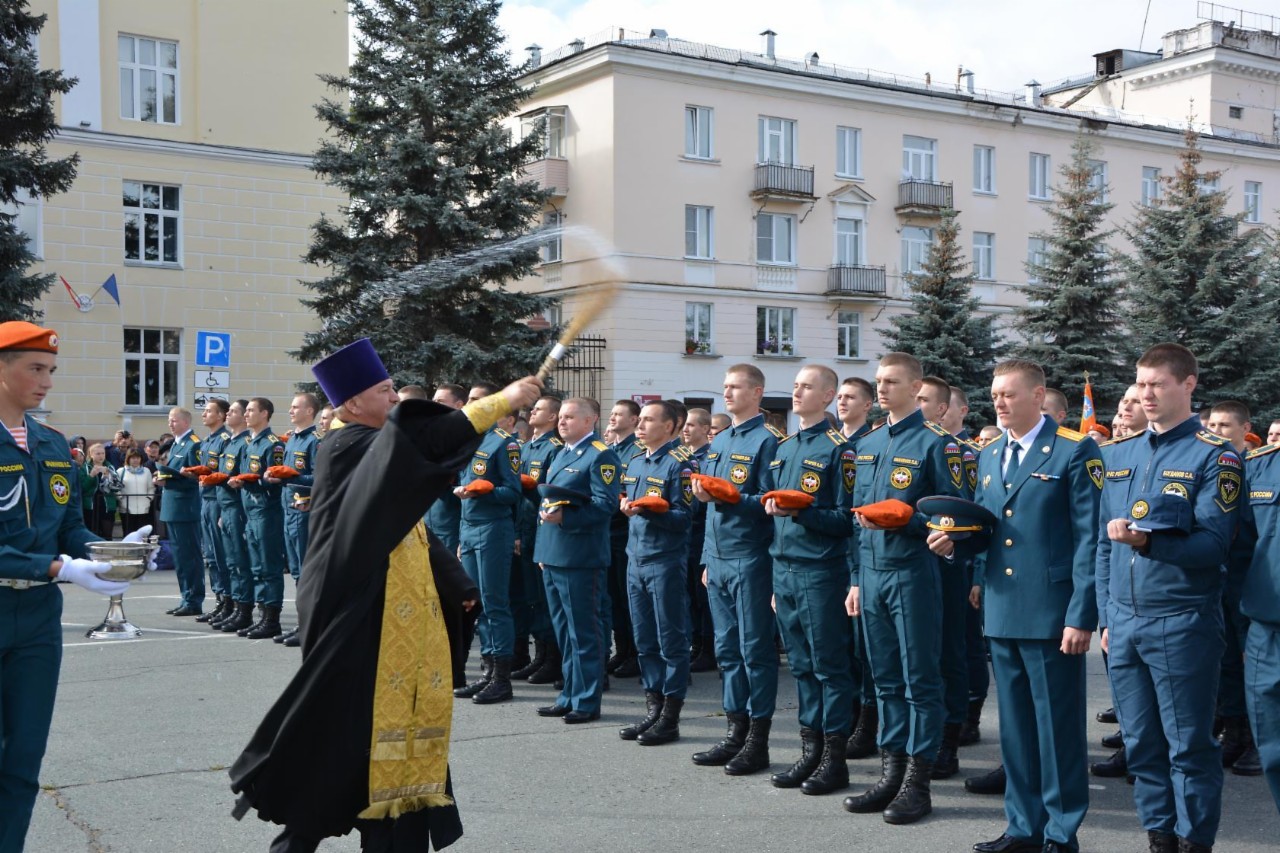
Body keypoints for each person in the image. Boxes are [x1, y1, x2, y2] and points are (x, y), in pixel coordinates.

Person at [230, 337, 540, 852]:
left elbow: (407, 526)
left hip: (386, 612)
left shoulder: (369, 446)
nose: (396, 398)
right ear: (351, 403)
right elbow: (418, 444)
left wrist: (456, 583)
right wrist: (500, 403)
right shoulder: (348, 444)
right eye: (384, 389)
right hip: (353, 614)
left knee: (370, 740)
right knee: (343, 737)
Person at [932, 359, 1101, 853]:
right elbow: (990, 531)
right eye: (995, 394)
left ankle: (1060, 832)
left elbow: (1089, 539)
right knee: (1017, 732)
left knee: (1057, 731)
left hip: (1051, 612)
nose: (1000, 402)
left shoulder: (1074, 450)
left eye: (1009, 393)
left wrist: (1080, 614)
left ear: (1037, 395)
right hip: (1003, 609)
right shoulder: (989, 454)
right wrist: (958, 546)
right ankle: (1022, 827)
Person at [1097, 343, 1241, 853]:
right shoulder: (1118, 453)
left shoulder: (1214, 456)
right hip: (1126, 622)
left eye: (1158, 383)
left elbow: (1212, 544)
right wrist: (1105, 615)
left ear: (1188, 385)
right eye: (1141, 383)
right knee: (1141, 746)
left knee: (1189, 747)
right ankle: (1160, 838)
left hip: (1182, 621)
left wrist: (1149, 541)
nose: (1146, 393)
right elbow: (1100, 544)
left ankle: (1193, 841)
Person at [0, 320, 137, 850]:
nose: (47, 381)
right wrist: (57, 569)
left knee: (23, 762)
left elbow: (68, 528)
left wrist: (108, 553)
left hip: (36, 624)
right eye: (36, 368)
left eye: (51, 370)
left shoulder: (54, 444)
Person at [845, 351, 963, 824]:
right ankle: (890, 773)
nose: (884, 389)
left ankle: (918, 781)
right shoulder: (870, 443)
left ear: (916, 389)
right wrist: (854, 579)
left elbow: (957, 514)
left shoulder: (938, 443)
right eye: (880, 381)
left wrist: (913, 520)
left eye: (892, 381)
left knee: (920, 680)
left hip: (914, 574)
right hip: (872, 576)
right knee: (885, 678)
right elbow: (858, 519)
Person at [767, 364, 857, 796]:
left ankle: (834, 759)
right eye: (795, 385)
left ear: (828, 396)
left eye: (806, 386)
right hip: (784, 568)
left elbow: (846, 518)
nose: (797, 392)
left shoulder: (840, 448)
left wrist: (800, 511)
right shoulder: (784, 447)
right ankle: (811, 749)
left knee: (829, 668)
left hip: (821, 570)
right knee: (801, 666)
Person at [691, 365, 781, 775]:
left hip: (750, 556)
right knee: (727, 650)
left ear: (757, 392)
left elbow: (771, 502)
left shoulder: (768, 441)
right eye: (724, 386)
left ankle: (757, 741)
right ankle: (734, 732)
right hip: (720, 558)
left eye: (735, 387)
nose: (726, 393)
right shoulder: (721, 438)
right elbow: (710, 508)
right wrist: (708, 558)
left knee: (754, 651)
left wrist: (734, 498)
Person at [534, 397, 622, 723]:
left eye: (570, 417)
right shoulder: (561, 453)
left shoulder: (601, 455)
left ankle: (586, 700)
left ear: (590, 421)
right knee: (564, 632)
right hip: (554, 555)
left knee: (584, 632)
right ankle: (569, 694)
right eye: (560, 417)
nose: (562, 422)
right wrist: (543, 550)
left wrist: (566, 521)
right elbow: (547, 504)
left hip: (580, 557)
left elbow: (604, 506)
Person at [616, 401, 695, 745]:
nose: (641, 426)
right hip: (636, 559)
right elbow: (626, 502)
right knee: (644, 639)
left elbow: (684, 518)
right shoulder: (634, 461)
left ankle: (670, 716)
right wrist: (628, 508)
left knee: (670, 640)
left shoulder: (682, 465)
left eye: (649, 420)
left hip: (665, 560)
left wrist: (650, 511)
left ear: (670, 426)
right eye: (641, 420)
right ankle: (653, 709)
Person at [452, 382, 522, 705]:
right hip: (469, 529)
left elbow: (513, 493)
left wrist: (484, 490)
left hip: (493, 529)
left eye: (478, 400)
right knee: (478, 604)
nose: (470, 404)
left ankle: (502, 678)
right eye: (469, 399)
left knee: (495, 603)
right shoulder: (470, 441)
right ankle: (487, 672)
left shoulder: (504, 443)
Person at [916, 375, 971, 779]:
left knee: (948, 654)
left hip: (946, 566)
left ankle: (948, 741)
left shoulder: (951, 449)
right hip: (906, 567)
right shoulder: (892, 442)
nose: (915, 404)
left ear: (941, 408)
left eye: (923, 399)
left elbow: (962, 509)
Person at [1206, 400, 1262, 777]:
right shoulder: (1207, 468)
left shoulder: (1259, 470)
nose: (1217, 431)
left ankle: (1259, 740)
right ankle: (1235, 732)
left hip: (1250, 583)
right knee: (1224, 662)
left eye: (1225, 425)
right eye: (1211, 423)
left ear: (1246, 430)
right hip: (1216, 581)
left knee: (1253, 665)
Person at [1235, 425, 1280, 812]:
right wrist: (1242, 632)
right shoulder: (1259, 468)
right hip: (1267, 632)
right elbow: (1239, 555)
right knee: (1273, 751)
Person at [513, 395, 563, 684]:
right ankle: (540, 655)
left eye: (540, 409)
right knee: (532, 598)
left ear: (553, 417)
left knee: (545, 601)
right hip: (527, 530)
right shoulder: (527, 446)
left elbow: (549, 496)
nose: (532, 411)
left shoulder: (553, 449)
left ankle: (552, 658)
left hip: (544, 530)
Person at [228, 398, 287, 639]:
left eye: (251, 410)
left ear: (264, 414)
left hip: (266, 511)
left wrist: (255, 480)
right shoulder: (250, 443)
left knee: (268, 565)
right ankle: (261, 615)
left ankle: (272, 619)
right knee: (256, 566)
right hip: (250, 511)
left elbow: (277, 479)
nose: (247, 414)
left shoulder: (272, 445)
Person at [273, 393, 320, 647]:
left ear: (310, 411)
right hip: (288, 510)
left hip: (304, 513)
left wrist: (292, 477)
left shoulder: (314, 441)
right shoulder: (291, 440)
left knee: (306, 572)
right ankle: (302, 624)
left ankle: (310, 627)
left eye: (295, 407)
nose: (290, 411)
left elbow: (320, 477)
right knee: (296, 571)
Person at [211, 400, 255, 633]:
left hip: (238, 508)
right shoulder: (229, 442)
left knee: (240, 561)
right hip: (225, 506)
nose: (228, 415)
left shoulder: (246, 443)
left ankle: (244, 609)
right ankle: (236, 607)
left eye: (234, 412)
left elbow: (244, 476)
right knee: (231, 562)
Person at [606, 399, 642, 677]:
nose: (614, 417)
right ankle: (622, 650)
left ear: (634, 420)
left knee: (626, 596)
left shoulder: (637, 452)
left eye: (620, 414)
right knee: (614, 597)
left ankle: (635, 653)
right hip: (608, 531)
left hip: (627, 531)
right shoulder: (608, 450)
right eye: (612, 413)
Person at [158, 407, 205, 615]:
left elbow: (196, 478)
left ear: (186, 422)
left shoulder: (193, 444)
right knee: (180, 557)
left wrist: (169, 480)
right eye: (169, 420)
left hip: (186, 507)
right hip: (174, 507)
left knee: (189, 556)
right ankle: (186, 597)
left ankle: (194, 600)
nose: (170, 423)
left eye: (174, 420)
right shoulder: (177, 443)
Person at [681, 407, 715, 673]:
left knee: (702, 596)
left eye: (692, 425)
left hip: (701, 533)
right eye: (685, 425)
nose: (686, 429)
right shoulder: (684, 458)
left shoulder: (709, 458)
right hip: (685, 535)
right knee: (689, 595)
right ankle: (696, 644)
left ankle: (708, 647)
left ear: (705, 429)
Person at [195, 399, 234, 625]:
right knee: (210, 554)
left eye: (209, 411)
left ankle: (229, 601)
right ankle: (219, 599)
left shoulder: (225, 440)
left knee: (221, 554)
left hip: (217, 500)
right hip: (205, 500)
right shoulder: (207, 441)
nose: (204, 415)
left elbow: (223, 474)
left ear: (221, 416)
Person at [426, 383, 466, 554]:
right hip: (428, 520)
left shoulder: (467, 440)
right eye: (434, 400)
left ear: (459, 406)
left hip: (451, 524)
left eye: (441, 401)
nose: (435, 405)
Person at [81, 442, 120, 539]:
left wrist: (107, 477)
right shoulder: (85, 468)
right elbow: (82, 488)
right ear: (91, 455)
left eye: (103, 453)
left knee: (107, 535)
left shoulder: (110, 467)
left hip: (107, 505)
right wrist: (91, 476)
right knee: (91, 535)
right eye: (98, 454)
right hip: (90, 506)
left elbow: (116, 488)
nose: (101, 456)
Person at [116, 449, 154, 536]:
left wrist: (148, 499)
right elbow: (116, 488)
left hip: (143, 509)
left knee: (142, 535)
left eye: (137, 458)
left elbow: (151, 488)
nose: (135, 460)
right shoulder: (120, 471)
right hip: (126, 509)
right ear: (128, 459)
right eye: (133, 458)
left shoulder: (146, 471)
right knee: (128, 534)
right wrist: (121, 499)